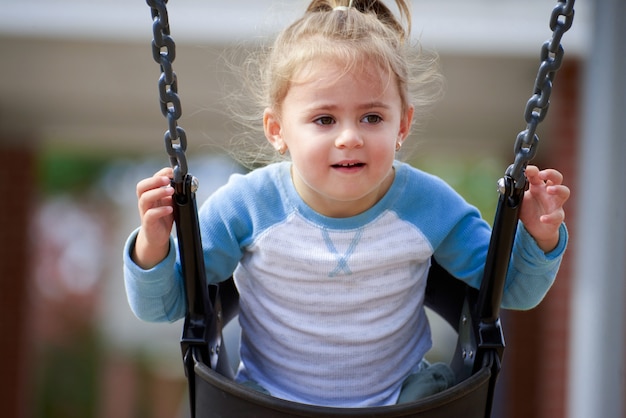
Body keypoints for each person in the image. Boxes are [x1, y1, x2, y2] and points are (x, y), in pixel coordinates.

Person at [123, 0, 570, 408]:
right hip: (269, 404)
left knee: (435, 393)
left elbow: (511, 290)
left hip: (400, 403)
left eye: (372, 117)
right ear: (277, 129)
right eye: (324, 119)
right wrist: (153, 246)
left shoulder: (428, 205)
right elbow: (166, 304)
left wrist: (539, 235)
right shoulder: (248, 206)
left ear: (403, 124)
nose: (350, 136)